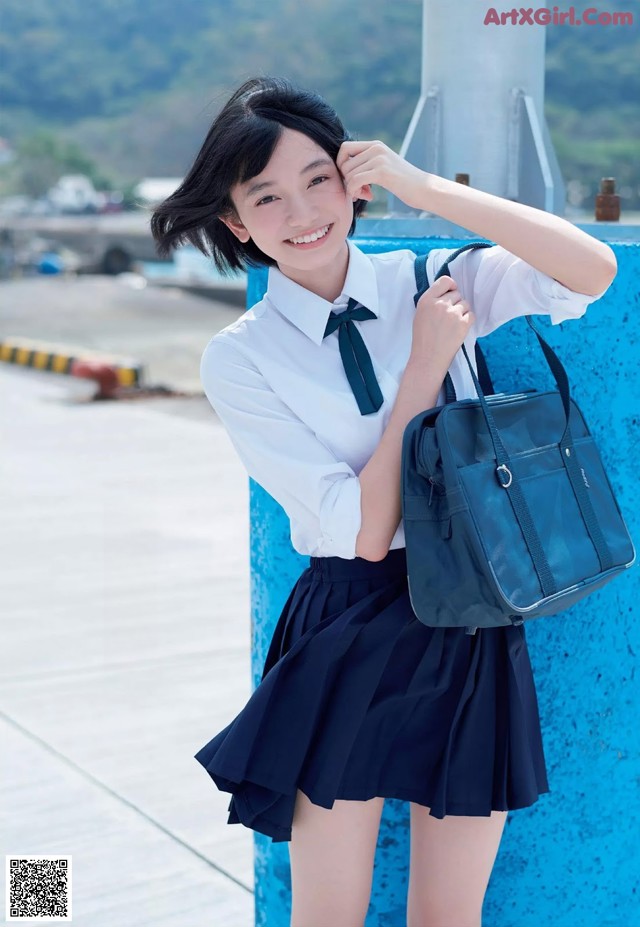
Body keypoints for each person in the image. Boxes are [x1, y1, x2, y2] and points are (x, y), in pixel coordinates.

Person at [150, 75, 616, 927]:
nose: (302, 213)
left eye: (318, 179)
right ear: (236, 222)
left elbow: (592, 269)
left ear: (353, 180)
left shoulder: (430, 277)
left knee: (448, 915)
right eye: (267, 197)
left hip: (471, 610)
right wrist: (425, 367)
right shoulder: (241, 357)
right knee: (328, 914)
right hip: (349, 625)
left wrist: (422, 187)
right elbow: (364, 533)